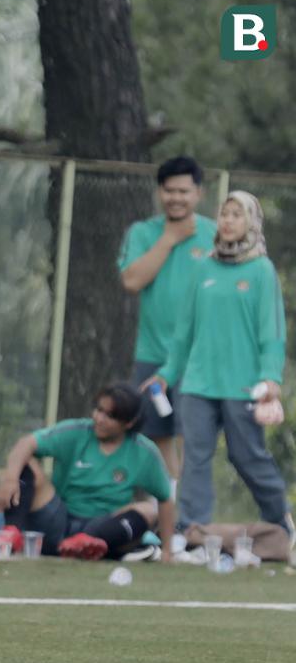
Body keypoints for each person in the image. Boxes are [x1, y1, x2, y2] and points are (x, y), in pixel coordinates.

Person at [147, 191, 294, 539]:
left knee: (246, 456)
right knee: (194, 457)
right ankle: (191, 530)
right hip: (198, 383)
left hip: (243, 385)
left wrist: (270, 376)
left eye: (236, 215)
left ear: (251, 222)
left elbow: (271, 332)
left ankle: (280, 522)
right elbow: (184, 332)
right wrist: (167, 373)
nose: (227, 221)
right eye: (224, 214)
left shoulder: (261, 270)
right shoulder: (204, 268)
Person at [0, 383, 175, 562]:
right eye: (98, 409)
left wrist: (167, 551)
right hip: (57, 520)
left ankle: (87, 544)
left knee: (148, 510)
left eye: (109, 415)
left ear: (129, 423)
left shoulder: (143, 452)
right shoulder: (76, 431)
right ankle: (12, 531)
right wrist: (10, 480)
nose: (99, 418)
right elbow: (26, 443)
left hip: (104, 529)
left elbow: (165, 498)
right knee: (27, 461)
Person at [118, 156, 216, 487]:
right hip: (153, 355)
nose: (176, 198)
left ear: (199, 193)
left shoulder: (214, 236)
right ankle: (170, 507)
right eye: (170, 190)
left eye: (184, 191)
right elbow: (132, 281)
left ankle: (191, 514)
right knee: (156, 434)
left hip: (200, 359)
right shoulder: (143, 232)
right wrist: (170, 238)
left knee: (195, 436)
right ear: (160, 192)